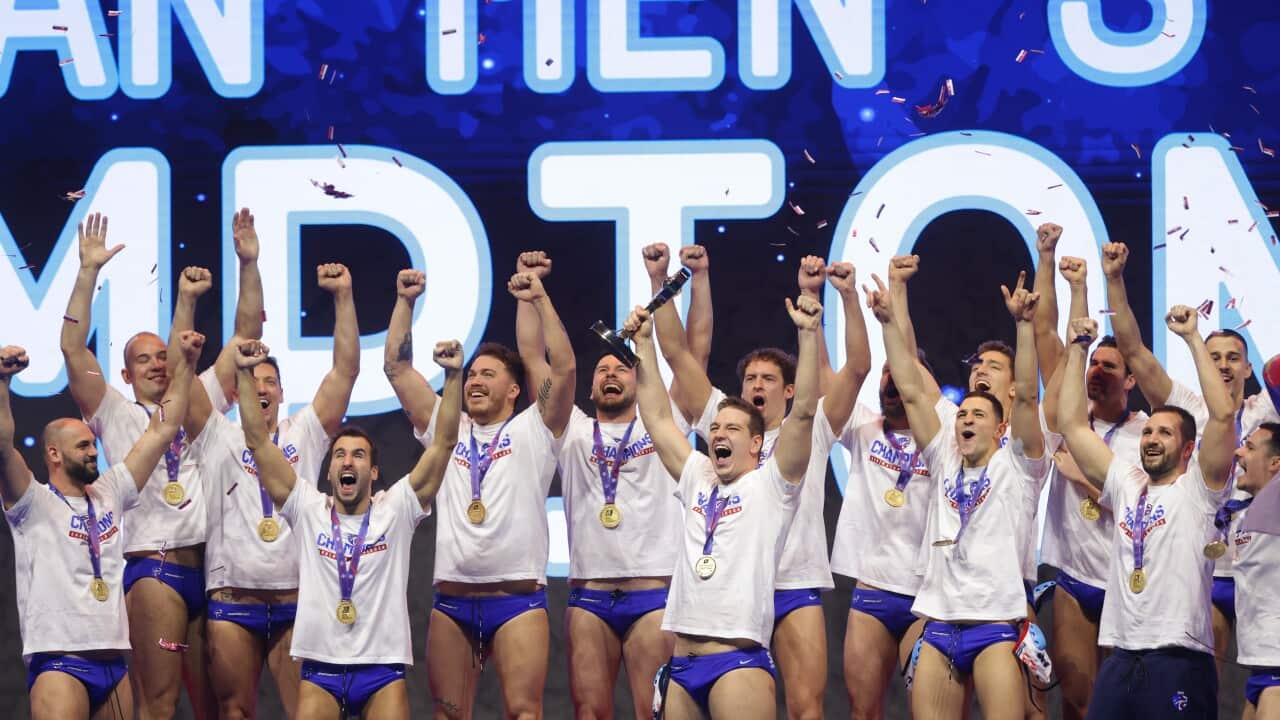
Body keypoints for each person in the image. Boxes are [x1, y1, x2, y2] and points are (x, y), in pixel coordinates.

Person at [651, 248, 870, 720]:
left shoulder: (807, 430)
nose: (756, 383)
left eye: (768, 378)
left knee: (806, 709)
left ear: (789, 389)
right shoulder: (724, 424)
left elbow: (856, 370)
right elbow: (677, 354)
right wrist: (669, 284)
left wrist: (841, 300)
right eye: (750, 376)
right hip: (727, 593)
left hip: (791, 583)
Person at [233, 337, 462, 719]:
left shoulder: (398, 508)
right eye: (339, 454)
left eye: (358, 455)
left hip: (381, 668)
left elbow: (444, 442)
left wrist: (453, 377)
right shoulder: (307, 508)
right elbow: (257, 441)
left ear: (373, 472)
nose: (347, 461)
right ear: (329, 471)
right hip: (320, 668)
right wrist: (242, 374)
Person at [384, 265, 575, 718]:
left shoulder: (535, 428)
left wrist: (540, 298)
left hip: (517, 600)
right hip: (452, 601)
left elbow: (563, 366)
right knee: (448, 714)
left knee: (524, 713)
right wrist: (405, 302)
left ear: (513, 390)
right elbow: (395, 367)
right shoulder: (445, 427)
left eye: (487, 375)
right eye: (471, 374)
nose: (474, 381)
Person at [181, 239, 361, 718]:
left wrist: (342, 297)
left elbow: (345, 371)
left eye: (270, 382)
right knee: (234, 712)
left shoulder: (305, 431)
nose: (261, 387)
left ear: (281, 393)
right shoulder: (215, 434)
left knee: (307, 712)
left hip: (297, 599)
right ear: (238, 388)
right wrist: (187, 312)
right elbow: (183, 379)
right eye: (252, 379)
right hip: (232, 598)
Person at [629, 288, 822, 719]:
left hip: (737, 662)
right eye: (715, 427)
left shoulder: (773, 485)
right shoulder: (698, 474)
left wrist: (808, 336)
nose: (718, 433)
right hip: (681, 663)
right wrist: (644, 345)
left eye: (732, 428)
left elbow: (805, 410)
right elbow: (658, 417)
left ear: (756, 443)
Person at [866, 270, 1049, 720]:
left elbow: (1025, 396)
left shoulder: (1019, 465)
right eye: (962, 413)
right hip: (940, 622)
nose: (965, 419)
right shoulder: (944, 455)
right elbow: (911, 389)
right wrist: (889, 323)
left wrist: (1024, 327)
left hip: (995, 625)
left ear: (1001, 426)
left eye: (978, 414)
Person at [512, 251, 684, 719]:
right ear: (589, 389)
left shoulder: (662, 428)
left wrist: (658, 285)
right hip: (588, 595)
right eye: (602, 370)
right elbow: (533, 357)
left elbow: (687, 353)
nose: (610, 374)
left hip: (654, 593)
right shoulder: (570, 431)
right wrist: (530, 294)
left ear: (639, 378)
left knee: (657, 713)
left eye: (621, 368)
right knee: (590, 713)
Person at [59, 212, 216, 719]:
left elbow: (240, 340)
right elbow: (71, 346)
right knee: (159, 705)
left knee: (215, 707)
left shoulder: (196, 400)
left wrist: (191, 301)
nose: (156, 364)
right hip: (156, 569)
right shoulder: (113, 410)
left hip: (209, 569)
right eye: (143, 359)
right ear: (125, 373)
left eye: (161, 356)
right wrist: (88, 272)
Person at [1, 329, 201, 719]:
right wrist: (2, 383)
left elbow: (161, 430)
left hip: (114, 664)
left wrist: (186, 369)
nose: (94, 451)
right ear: (54, 454)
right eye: (83, 447)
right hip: (61, 662)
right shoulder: (31, 501)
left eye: (93, 444)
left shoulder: (110, 491)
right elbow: (2, 447)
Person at [1102, 241, 1279, 676]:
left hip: (1266, 561)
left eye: (1233, 358)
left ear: (1248, 369)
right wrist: (1115, 280)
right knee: (1207, 681)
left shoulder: (1268, 411)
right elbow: (1135, 352)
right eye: (1214, 356)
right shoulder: (1188, 408)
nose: (1222, 365)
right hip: (1206, 567)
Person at [1056, 308, 1238, 719]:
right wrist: (1076, 350)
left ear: (1189, 449)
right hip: (1121, 655)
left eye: (1166, 433)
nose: (1152, 438)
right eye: (1149, 431)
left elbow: (1224, 415)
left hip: (1179, 657)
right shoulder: (1127, 483)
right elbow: (1071, 423)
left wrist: (1193, 338)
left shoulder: (1199, 489)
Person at [1031, 245, 1146, 720]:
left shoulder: (1148, 432)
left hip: (1127, 583)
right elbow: (1048, 338)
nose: (1096, 372)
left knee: (1125, 706)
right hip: (1074, 581)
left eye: (1108, 367)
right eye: (1093, 364)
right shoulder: (1064, 420)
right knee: (1077, 701)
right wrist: (1068, 278)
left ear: (1131, 379)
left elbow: (1144, 506)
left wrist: (1078, 473)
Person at [1231, 423, 1280, 720]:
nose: (1238, 451)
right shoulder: (1252, 509)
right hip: (1260, 666)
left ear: (1276, 462)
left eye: (1250, 447)